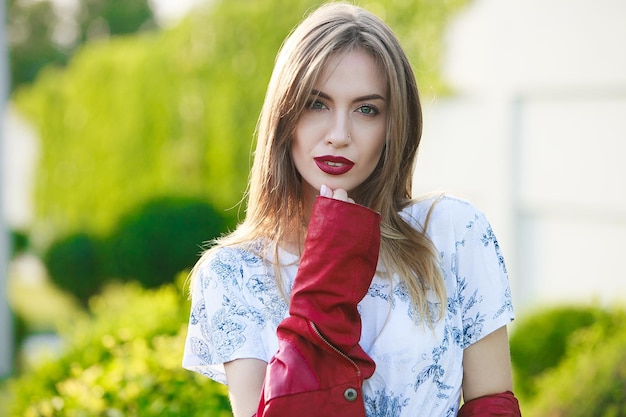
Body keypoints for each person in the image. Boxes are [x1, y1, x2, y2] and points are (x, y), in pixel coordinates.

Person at [183, 2, 521, 416]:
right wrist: (328, 272)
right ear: (283, 116)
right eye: (316, 104)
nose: (339, 135)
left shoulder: (452, 232)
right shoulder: (233, 274)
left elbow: (493, 404)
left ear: (393, 126)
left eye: (366, 109)